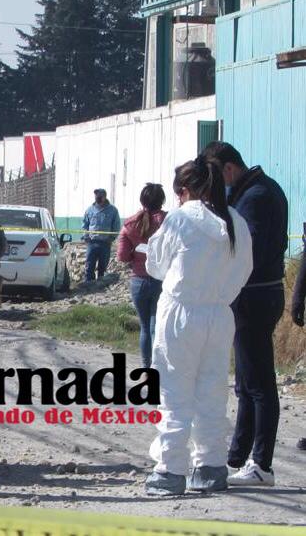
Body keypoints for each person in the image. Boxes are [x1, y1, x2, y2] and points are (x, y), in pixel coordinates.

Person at [143, 157, 252, 496]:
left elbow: (156, 265)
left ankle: (170, 470)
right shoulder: (234, 221)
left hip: (181, 312)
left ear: (186, 190)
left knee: (174, 392)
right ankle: (210, 466)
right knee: (212, 390)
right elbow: (244, 269)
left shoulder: (179, 219)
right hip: (220, 314)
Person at [202, 141, 288, 486]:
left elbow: (246, 253)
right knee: (247, 383)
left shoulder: (255, 197)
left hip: (255, 296)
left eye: (213, 177)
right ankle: (239, 455)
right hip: (255, 296)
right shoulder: (257, 190)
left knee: (259, 385)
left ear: (227, 169)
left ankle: (261, 464)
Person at [117, 183, 167, 368]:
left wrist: (134, 257)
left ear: (142, 200)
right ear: (162, 200)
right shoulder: (169, 221)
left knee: (145, 328)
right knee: (157, 327)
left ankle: (146, 368)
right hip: (162, 280)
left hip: (138, 280)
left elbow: (121, 256)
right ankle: (158, 367)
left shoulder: (130, 224)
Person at [81, 188, 120, 282]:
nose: (97, 198)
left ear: (104, 197)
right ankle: (89, 284)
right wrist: (86, 236)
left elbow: (116, 226)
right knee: (89, 265)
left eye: (99, 196)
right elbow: (85, 225)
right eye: (96, 196)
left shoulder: (112, 210)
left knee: (103, 266)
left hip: (105, 243)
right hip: (92, 242)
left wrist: (111, 238)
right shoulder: (89, 210)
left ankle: (100, 284)